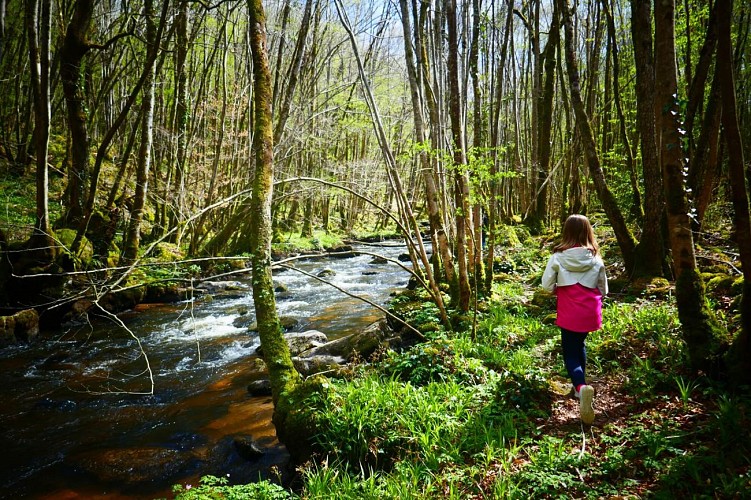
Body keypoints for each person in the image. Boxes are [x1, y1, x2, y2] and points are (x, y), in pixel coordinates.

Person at [541, 214, 608, 424]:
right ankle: (581, 386)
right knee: (580, 343)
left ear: (566, 232)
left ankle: (580, 387)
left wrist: (556, 288)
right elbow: (604, 288)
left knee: (570, 351)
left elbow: (545, 285)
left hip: (569, 310)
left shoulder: (558, 257)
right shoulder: (596, 259)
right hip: (589, 311)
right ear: (588, 232)